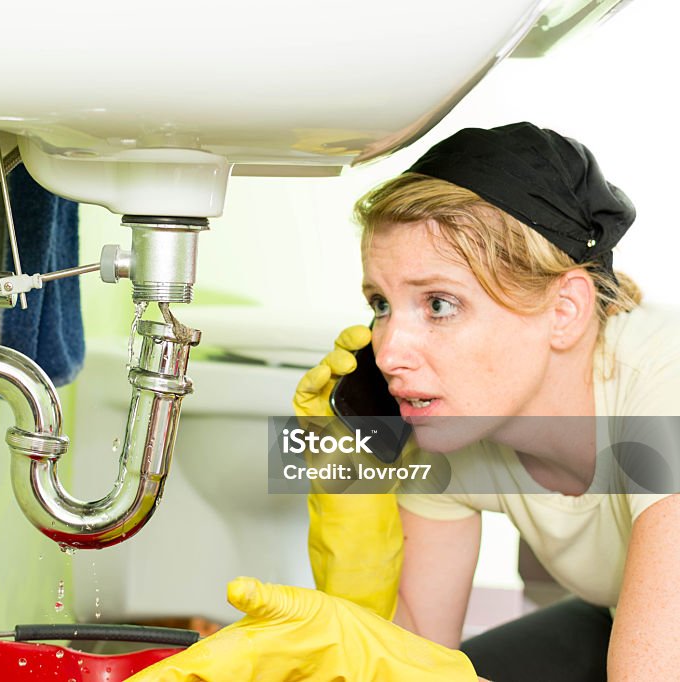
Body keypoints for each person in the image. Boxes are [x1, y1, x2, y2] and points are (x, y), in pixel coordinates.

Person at [126, 122, 680, 682]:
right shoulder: (457, 426)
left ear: (565, 310)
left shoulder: (665, 392)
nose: (388, 352)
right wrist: (351, 488)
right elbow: (411, 650)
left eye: (439, 304)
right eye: (382, 303)